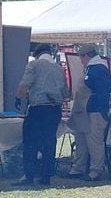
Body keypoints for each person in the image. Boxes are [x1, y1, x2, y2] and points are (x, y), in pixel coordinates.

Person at [16, 44, 70, 186]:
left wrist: (18, 97)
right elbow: (66, 93)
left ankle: (29, 175)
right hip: (54, 110)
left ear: (37, 54)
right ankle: (46, 176)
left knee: (30, 142)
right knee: (50, 142)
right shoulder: (59, 68)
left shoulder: (34, 65)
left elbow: (24, 86)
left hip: (39, 107)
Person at [67, 44, 111, 181]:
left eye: (81, 57)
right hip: (86, 112)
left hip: (95, 112)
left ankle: (95, 171)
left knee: (94, 142)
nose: (80, 60)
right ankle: (78, 168)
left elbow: (102, 92)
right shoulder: (92, 69)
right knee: (82, 142)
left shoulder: (98, 69)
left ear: (86, 56)